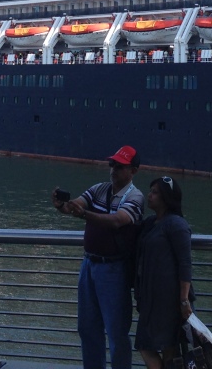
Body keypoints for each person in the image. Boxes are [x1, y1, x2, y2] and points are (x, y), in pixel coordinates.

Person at [53, 145, 145, 369]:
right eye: (112, 164)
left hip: (114, 269)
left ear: (133, 171)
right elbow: (76, 205)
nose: (113, 169)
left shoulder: (136, 197)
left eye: (120, 166)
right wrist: (62, 206)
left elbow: (117, 221)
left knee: (116, 332)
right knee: (87, 328)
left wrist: (83, 213)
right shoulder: (98, 189)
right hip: (89, 265)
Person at [134, 176, 193, 369]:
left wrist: (184, 300)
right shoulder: (151, 223)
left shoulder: (177, 224)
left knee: (167, 349)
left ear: (167, 197)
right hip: (152, 298)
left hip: (169, 300)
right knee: (153, 346)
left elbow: (185, 263)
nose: (149, 195)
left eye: (155, 192)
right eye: (150, 191)